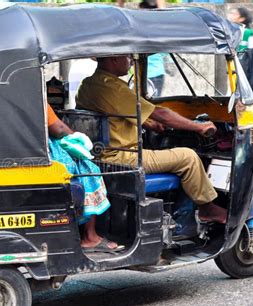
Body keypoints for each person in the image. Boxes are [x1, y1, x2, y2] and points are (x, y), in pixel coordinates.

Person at [76, 55, 227, 224]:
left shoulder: (89, 84)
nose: (131, 61)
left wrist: (149, 124)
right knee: (189, 157)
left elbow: (117, 115)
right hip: (121, 158)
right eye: (128, 57)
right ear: (114, 59)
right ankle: (207, 208)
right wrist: (199, 127)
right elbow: (162, 114)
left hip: (101, 156)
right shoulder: (112, 87)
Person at [47, 105, 124, 252]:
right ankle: (90, 237)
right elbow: (59, 129)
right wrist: (78, 136)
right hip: (46, 152)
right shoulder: (36, 95)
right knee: (89, 169)